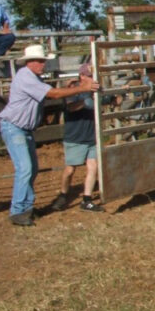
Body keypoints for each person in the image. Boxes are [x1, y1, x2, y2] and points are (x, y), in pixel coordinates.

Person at [0, 44, 100, 226]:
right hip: (15, 127)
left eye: (43, 60)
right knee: (26, 168)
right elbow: (52, 93)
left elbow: (53, 92)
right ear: (31, 62)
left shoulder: (31, 77)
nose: (43, 64)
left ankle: (25, 208)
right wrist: (82, 89)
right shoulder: (27, 77)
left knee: (31, 168)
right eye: (41, 61)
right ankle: (18, 210)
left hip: (21, 128)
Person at [52, 63, 105, 213]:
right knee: (70, 169)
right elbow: (70, 107)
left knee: (93, 166)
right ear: (82, 76)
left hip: (91, 135)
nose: (92, 79)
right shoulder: (72, 90)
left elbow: (113, 101)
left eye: (93, 76)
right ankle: (63, 194)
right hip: (75, 137)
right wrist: (85, 101)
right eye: (89, 76)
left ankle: (86, 199)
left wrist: (122, 92)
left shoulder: (96, 89)